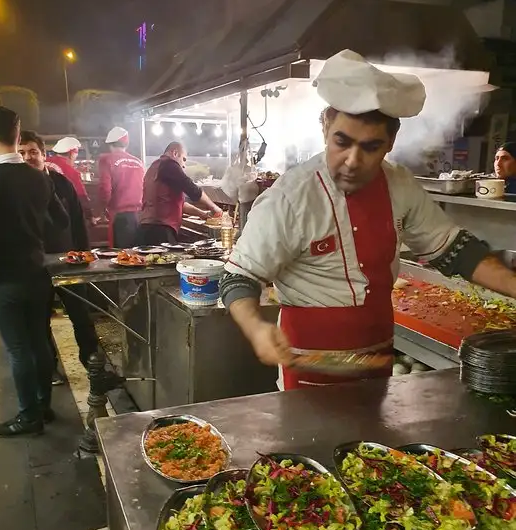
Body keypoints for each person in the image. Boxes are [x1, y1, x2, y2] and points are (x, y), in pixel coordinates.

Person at [220, 49, 516, 390]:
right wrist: (256, 328)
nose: (352, 160)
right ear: (326, 127)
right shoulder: (290, 198)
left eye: (370, 147)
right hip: (307, 369)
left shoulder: (401, 186)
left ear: (390, 142)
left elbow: (455, 250)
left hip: (378, 361)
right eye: (341, 142)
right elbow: (237, 278)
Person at [0, 107, 68, 436]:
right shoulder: (39, 178)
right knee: (38, 341)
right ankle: (43, 406)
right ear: (18, 132)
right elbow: (60, 222)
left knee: (18, 349)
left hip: (6, 278)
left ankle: (28, 417)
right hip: (38, 274)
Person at [19, 130, 100, 382]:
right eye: (21, 153)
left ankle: (93, 363)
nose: (28, 157)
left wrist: (85, 253)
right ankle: (49, 367)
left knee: (81, 316)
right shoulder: (15, 188)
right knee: (39, 321)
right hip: (35, 265)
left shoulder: (62, 183)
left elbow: (76, 220)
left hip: (68, 261)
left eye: (33, 151)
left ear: (44, 155)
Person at [137, 142, 221, 245]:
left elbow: (180, 203)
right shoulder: (168, 165)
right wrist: (214, 207)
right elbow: (192, 189)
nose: (184, 165)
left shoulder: (154, 167)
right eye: (184, 159)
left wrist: (203, 214)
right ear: (175, 153)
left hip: (147, 228)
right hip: (160, 230)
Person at [98, 126, 144, 248]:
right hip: (139, 216)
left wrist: (103, 210)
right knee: (135, 255)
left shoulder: (106, 159)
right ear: (126, 144)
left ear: (110, 144)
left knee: (120, 257)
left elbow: (105, 189)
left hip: (119, 216)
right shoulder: (138, 162)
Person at [46, 136, 93, 220]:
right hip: (61, 213)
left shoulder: (44, 161)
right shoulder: (71, 171)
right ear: (71, 153)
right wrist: (90, 216)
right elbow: (81, 196)